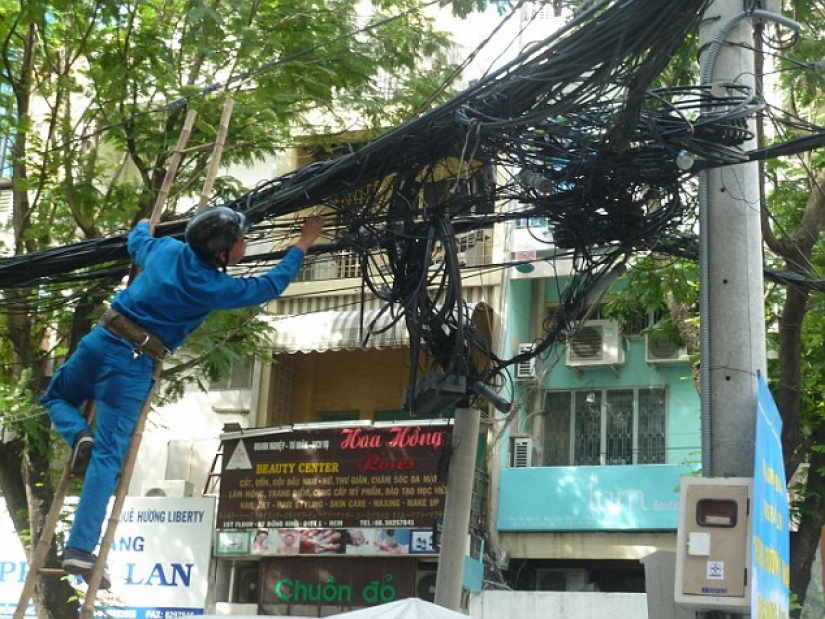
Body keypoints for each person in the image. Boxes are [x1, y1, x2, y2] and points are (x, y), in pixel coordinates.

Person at [41, 207, 324, 589]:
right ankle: (79, 548)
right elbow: (268, 286)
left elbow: (137, 240)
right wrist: (304, 242)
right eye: (241, 241)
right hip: (134, 363)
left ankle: (77, 435)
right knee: (108, 459)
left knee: (56, 395)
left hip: (101, 339)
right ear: (221, 253)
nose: (246, 246)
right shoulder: (214, 286)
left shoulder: (166, 250)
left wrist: (144, 220)